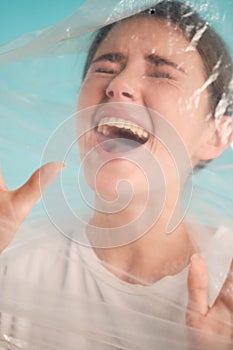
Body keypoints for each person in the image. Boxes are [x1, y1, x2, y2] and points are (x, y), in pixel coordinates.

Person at [0, 0, 232, 349]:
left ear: (216, 135)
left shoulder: (226, 279)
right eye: (105, 68)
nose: (118, 84)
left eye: (161, 72)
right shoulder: (13, 265)